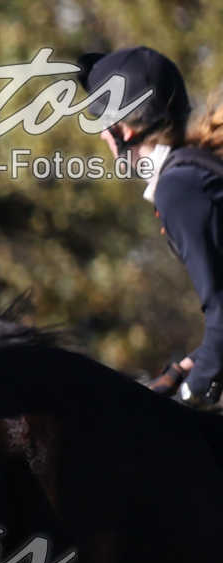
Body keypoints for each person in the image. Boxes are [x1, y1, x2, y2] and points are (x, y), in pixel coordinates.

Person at [77, 47, 223, 405]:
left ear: (125, 130)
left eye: (103, 125)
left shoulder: (178, 189)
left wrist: (193, 391)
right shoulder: (191, 173)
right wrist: (188, 366)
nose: (102, 136)